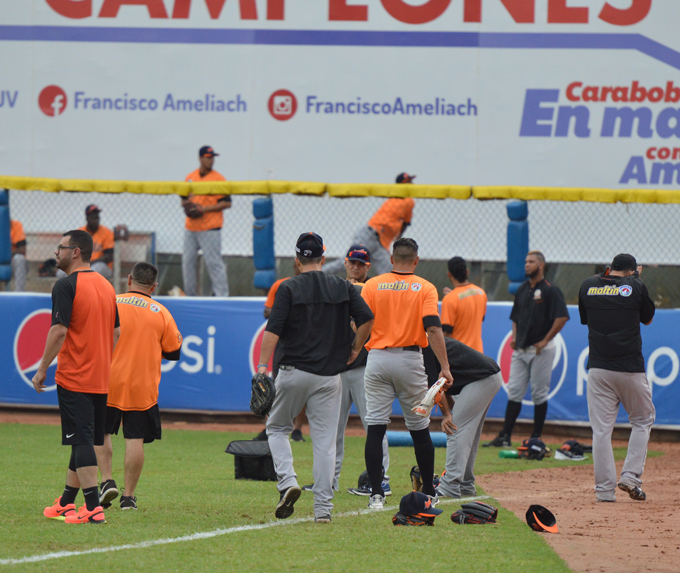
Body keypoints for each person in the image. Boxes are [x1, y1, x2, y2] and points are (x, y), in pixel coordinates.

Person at [257, 232, 374, 523]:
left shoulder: (288, 287)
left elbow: (273, 330)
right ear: (323, 257)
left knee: (277, 429)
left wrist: (261, 367)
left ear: (297, 260)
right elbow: (367, 318)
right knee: (324, 442)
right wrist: (356, 348)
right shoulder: (341, 286)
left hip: (293, 372)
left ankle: (287, 482)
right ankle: (323, 510)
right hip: (329, 376)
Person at [33, 230, 119, 524]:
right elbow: (116, 332)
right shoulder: (107, 286)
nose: (56, 252)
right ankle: (66, 503)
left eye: (60, 247)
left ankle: (92, 507)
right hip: (99, 377)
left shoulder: (66, 286)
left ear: (76, 252)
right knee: (81, 438)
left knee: (80, 438)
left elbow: (59, 330)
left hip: (75, 376)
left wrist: (43, 366)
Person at [360, 238, 452, 510]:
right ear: (416, 260)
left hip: (377, 357)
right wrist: (444, 367)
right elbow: (433, 328)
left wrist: (356, 349)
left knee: (375, 427)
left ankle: (376, 494)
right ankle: (428, 494)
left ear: (391, 259)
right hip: (410, 358)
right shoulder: (425, 287)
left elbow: (361, 323)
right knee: (420, 430)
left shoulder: (373, 284)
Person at [301, 244, 391, 496]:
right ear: (345, 262)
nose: (355, 266)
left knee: (374, 425)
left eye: (361, 263)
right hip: (338, 368)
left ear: (368, 267)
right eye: (352, 262)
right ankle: (329, 480)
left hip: (365, 367)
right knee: (332, 427)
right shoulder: (338, 288)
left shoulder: (372, 288)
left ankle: (383, 479)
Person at [95, 262, 182, 511]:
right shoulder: (161, 311)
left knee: (101, 432)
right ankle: (128, 497)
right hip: (142, 384)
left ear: (129, 279)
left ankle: (106, 481)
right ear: (154, 286)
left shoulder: (111, 302)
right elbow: (174, 352)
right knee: (135, 439)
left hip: (107, 378)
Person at [578, 254, 655, 502]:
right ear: (633, 271)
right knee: (643, 419)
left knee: (601, 431)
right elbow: (648, 318)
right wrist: (636, 279)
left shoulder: (587, 285)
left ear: (610, 268)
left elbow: (586, 320)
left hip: (599, 368)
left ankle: (604, 492)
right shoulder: (636, 285)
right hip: (630, 368)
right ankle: (630, 477)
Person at [484, 251, 569, 447]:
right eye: (525, 261)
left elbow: (562, 317)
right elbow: (515, 317)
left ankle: (536, 437)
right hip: (520, 350)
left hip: (541, 351)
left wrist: (545, 340)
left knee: (539, 392)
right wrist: (514, 336)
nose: (526, 265)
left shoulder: (550, 290)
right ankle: (505, 436)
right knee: (514, 391)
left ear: (541, 265)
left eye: (531, 261)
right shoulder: (522, 289)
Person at [421, 337, 502, 498]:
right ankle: (466, 484)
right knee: (467, 431)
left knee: (455, 428)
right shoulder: (427, 343)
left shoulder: (423, 347)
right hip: (487, 376)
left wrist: (447, 415)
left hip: (483, 378)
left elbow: (436, 385)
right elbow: (442, 387)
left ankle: (450, 486)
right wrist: (450, 412)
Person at [323, 173, 416, 276]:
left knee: (390, 273)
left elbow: (405, 223)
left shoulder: (401, 200)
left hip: (381, 244)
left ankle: (390, 292)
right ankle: (316, 275)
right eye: (408, 182)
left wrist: (399, 235)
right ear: (401, 185)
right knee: (346, 263)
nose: (412, 184)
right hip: (370, 235)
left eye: (411, 182)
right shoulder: (406, 200)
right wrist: (399, 234)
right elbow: (405, 223)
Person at [254, 263, 306, 443]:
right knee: (277, 386)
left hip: (307, 344)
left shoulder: (313, 285)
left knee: (304, 390)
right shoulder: (281, 285)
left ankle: (297, 429)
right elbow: (267, 311)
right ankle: (272, 428)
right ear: (296, 265)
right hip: (284, 343)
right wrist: (284, 309)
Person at [181, 145, 231, 297]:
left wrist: (204, 209)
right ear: (200, 158)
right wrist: (189, 206)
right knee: (188, 263)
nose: (211, 160)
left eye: (212, 157)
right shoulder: (191, 177)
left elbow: (227, 203)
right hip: (191, 227)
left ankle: (222, 296)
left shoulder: (218, 179)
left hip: (210, 227)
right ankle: (190, 297)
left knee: (213, 263)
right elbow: (183, 200)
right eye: (208, 157)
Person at [440, 256, 487, 353]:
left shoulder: (450, 299)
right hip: (478, 354)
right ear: (467, 272)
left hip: (459, 356)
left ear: (449, 274)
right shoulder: (481, 293)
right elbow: (479, 318)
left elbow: (446, 334)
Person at [81, 205, 114, 279]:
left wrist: (90, 263)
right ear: (87, 218)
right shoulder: (79, 232)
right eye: (93, 217)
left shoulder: (107, 232)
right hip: (83, 266)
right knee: (62, 273)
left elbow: (109, 257)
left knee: (93, 271)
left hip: (102, 266)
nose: (96, 219)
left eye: (97, 216)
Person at [10, 219, 27, 291]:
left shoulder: (15, 225)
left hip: (11, 262)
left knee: (19, 258)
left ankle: (19, 294)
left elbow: (22, 250)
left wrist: (6, 254)